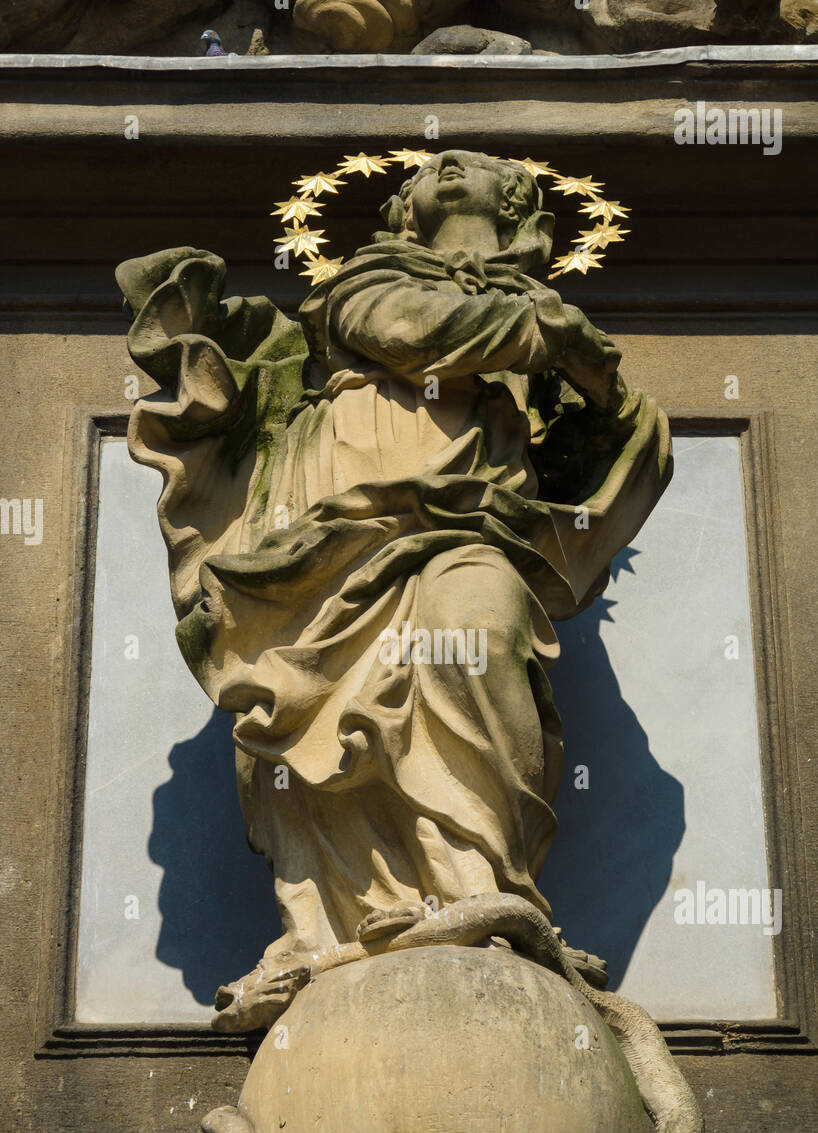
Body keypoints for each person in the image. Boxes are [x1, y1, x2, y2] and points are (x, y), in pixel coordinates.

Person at [117, 149, 671, 1032]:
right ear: (400, 208)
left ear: (523, 207)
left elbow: (608, 454)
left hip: (462, 531)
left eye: (480, 168)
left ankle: (476, 892)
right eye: (430, 168)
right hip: (327, 536)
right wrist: (556, 337)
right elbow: (405, 327)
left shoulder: (518, 339)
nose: (448, 162)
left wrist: (597, 398)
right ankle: (332, 925)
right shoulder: (372, 281)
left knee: (480, 629)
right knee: (303, 720)